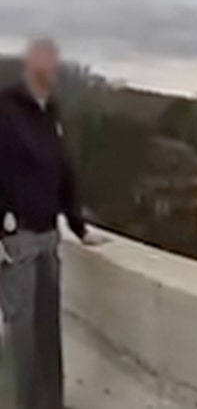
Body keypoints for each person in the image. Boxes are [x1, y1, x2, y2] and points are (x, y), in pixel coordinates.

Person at [0, 38, 107, 409]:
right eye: (42, 65)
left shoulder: (51, 116)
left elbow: (64, 175)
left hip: (49, 237)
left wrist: (79, 228)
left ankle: (50, 404)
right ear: (29, 68)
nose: (49, 72)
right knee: (22, 335)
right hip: (17, 241)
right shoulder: (5, 110)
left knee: (48, 331)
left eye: (52, 66)